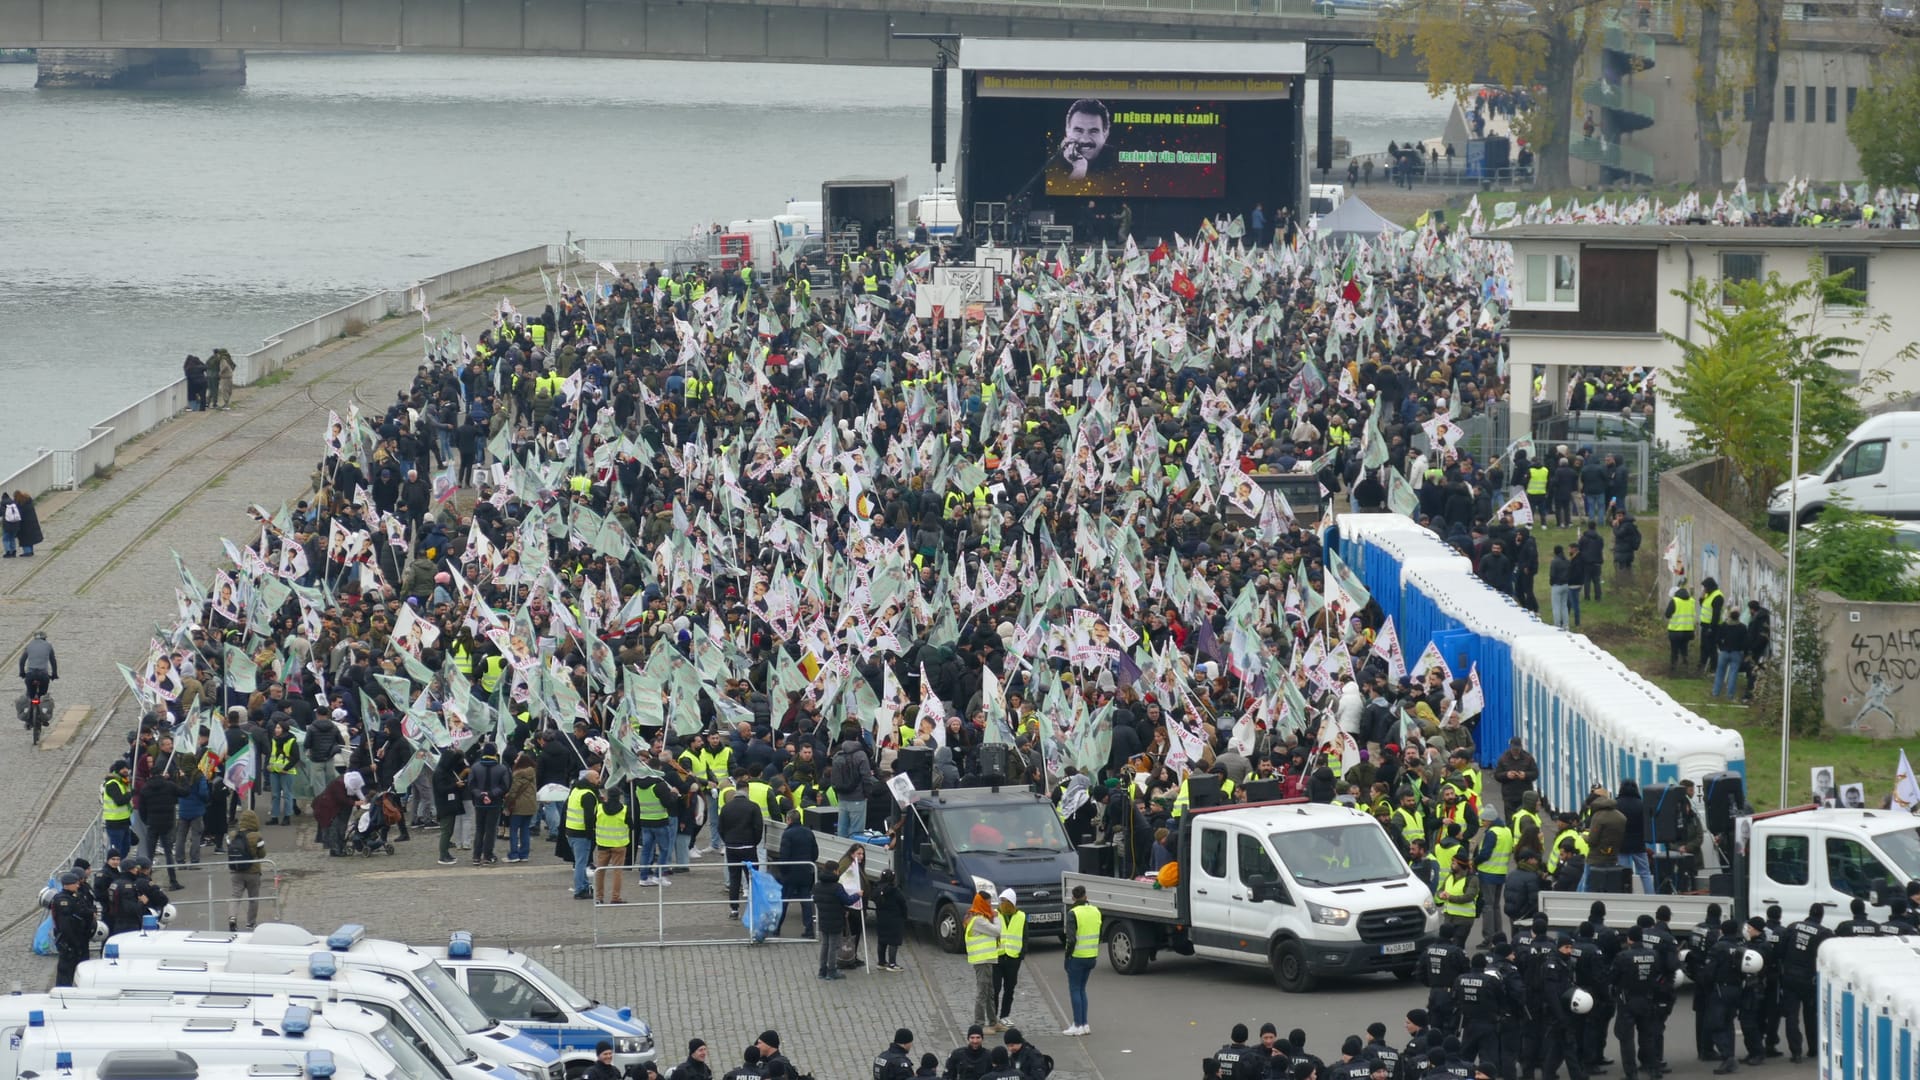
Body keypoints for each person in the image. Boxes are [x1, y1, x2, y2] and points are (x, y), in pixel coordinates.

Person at [719, 776, 764, 918]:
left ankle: (734, 909)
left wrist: (728, 841)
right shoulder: (753, 807)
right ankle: (753, 906)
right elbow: (758, 827)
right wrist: (754, 842)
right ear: (747, 790)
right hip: (748, 846)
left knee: (734, 878)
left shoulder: (727, 807)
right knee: (752, 877)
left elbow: (720, 828)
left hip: (732, 846)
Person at [1063, 884, 1099, 1036]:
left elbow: (1071, 939)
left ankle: (1077, 1025)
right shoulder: (1095, 910)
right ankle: (1085, 1024)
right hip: (1092, 955)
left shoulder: (1073, 913)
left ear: (1073, 898)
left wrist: (1067, 956)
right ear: (1086, 896)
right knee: (1082, 990)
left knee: (1075, 990)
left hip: (1077, 957)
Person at [965, 888, 1003, 1028]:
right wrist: (997, 917)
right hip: (982, 960)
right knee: (983, 992)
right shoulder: (978, 920)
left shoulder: (978, 917)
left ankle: (993, 1021)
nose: (989, 906)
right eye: (987, 903)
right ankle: (979, 1024)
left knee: (989, 991)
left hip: (986, 959)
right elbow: (996, 931)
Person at [50, 871, 93, 987]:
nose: (78, 885)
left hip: (80, 938)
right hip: (69, 942)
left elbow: (83, 911)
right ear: (67, 884)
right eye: (75, 883)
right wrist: (74, 943)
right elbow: (66, 926)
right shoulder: (62, 900)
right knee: (66, 972)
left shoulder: (75, 896)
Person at [564, 767, 602, 900]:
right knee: (581, 863)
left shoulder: (575, 790)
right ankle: (579, 890)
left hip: (571, 830)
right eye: (597, 778)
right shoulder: (588, 795)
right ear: (590, 780)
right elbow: (589, 817)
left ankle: (584, 886)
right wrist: (591, 833)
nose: (600, 780)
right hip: (581, 833)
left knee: (581, 861)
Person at [813, 859, 853, 981]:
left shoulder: (817, 885)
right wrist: (858, 895)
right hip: (836, 920)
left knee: (825, 945)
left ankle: (822, 970)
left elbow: (815, 899)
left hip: (824, 919)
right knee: (833, 946)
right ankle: (832, 971)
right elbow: (847, 901)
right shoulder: (837, 887)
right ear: (836, 871)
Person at [226, 809, 266, 931]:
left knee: (235, 896)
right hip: (253, 871)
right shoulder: (257, 836)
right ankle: (250, 923)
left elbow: (229, 849)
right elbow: (262, 854)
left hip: (236, 871)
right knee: (253, 898)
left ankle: (232, 917)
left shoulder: (232, 835)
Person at [994, 888, 1027, 1027]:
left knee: (1009, 988)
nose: (1002, 904)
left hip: (1013, 958)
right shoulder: (995, 915)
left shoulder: (1021, 916)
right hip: (997, 957)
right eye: (1001, 901)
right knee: (995, 988)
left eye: (1005, 901)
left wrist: (1021, 955)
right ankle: (993, 1016)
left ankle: (1004, 1015)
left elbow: (1025, 937)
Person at [1057, 99, 1113, 181]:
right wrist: (1079, 168)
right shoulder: (1053, 163)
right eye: (1078, 131)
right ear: (1067, 131)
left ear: (1105, 134)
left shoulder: (1118, 161)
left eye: (1093, 131)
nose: (1085, 139)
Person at [875, 868, 909, 971]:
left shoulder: (877, 889)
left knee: (882, 941)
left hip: (881, 919)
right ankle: (892, 964)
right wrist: (904, 916)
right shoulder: (895, 891)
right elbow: (903, 904)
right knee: (893, 942)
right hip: (894, 920)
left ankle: (881, 962)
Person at [19, 630, 56, 702]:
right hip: (43, 675)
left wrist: (22, 673)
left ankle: (28, 708)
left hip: (30, 675)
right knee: (43, 696)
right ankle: (43, 709)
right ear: (45, 638)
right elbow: (53, 661)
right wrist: (54, 674)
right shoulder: (48, 646)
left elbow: (22, 661)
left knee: (30, 696)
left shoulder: (29, 645)